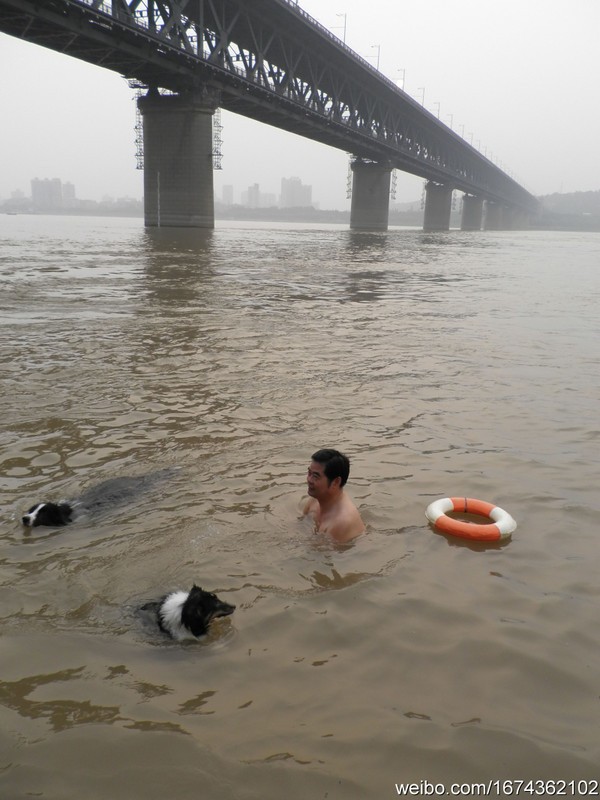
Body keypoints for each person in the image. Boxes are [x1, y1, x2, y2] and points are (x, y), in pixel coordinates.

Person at [302, 448, 365, 543]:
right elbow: (300, 522)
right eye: (309, 473)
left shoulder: (342, 522)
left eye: (315, 476)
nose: (309, 480)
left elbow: (322, 555)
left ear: (336, 482)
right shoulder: (315, 499)